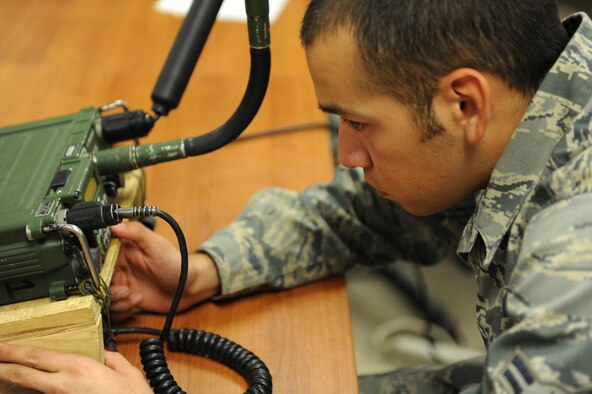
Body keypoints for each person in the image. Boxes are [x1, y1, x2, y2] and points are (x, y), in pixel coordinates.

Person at [1, 0, 591, 392]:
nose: (348, 156)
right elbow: (364, 213)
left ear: (465, 104)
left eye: (358, 124)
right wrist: (205, 269)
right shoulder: (522, 109)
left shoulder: (573, 251)